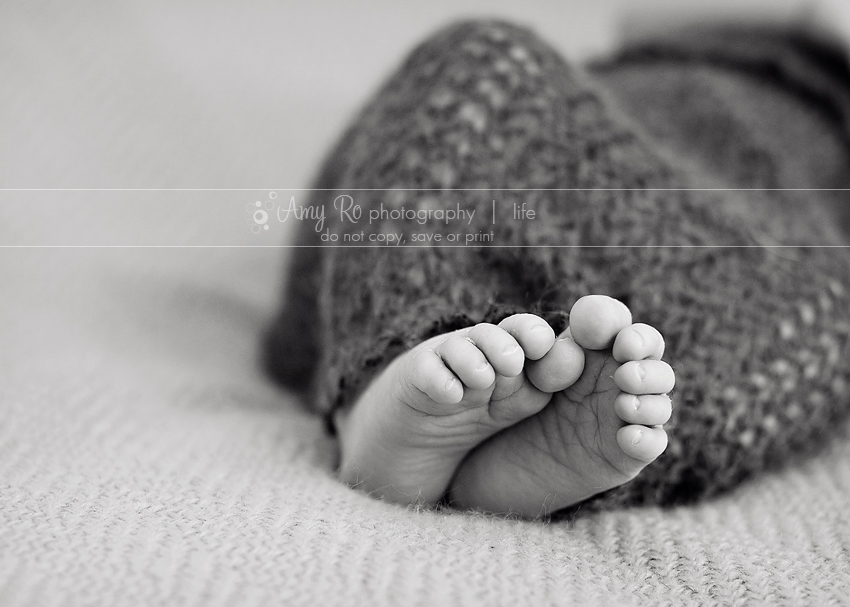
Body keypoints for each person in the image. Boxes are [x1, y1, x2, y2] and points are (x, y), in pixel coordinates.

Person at [265, 18, 850, 519]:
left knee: (817, 318)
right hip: (543, 178)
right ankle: (392, 372)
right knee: (482, 64)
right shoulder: (609, 79)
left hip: (751, 253)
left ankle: (520, 455)